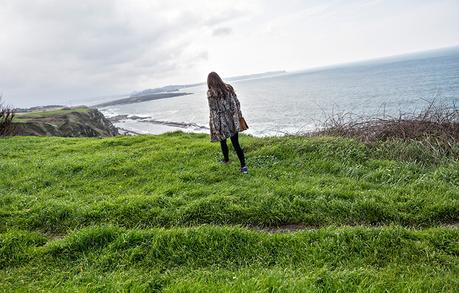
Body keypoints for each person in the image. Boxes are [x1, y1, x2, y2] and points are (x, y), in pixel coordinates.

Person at [207, 72, 249, 174]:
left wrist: (213, 123)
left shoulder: (210, 93)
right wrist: (238, 115)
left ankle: (226, 160)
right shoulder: (229, 88)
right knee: (236, 144)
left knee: (223, 141)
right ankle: (243, 166)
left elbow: (213, 109)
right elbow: (237, 103)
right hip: (232, 119)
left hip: (221, 121)